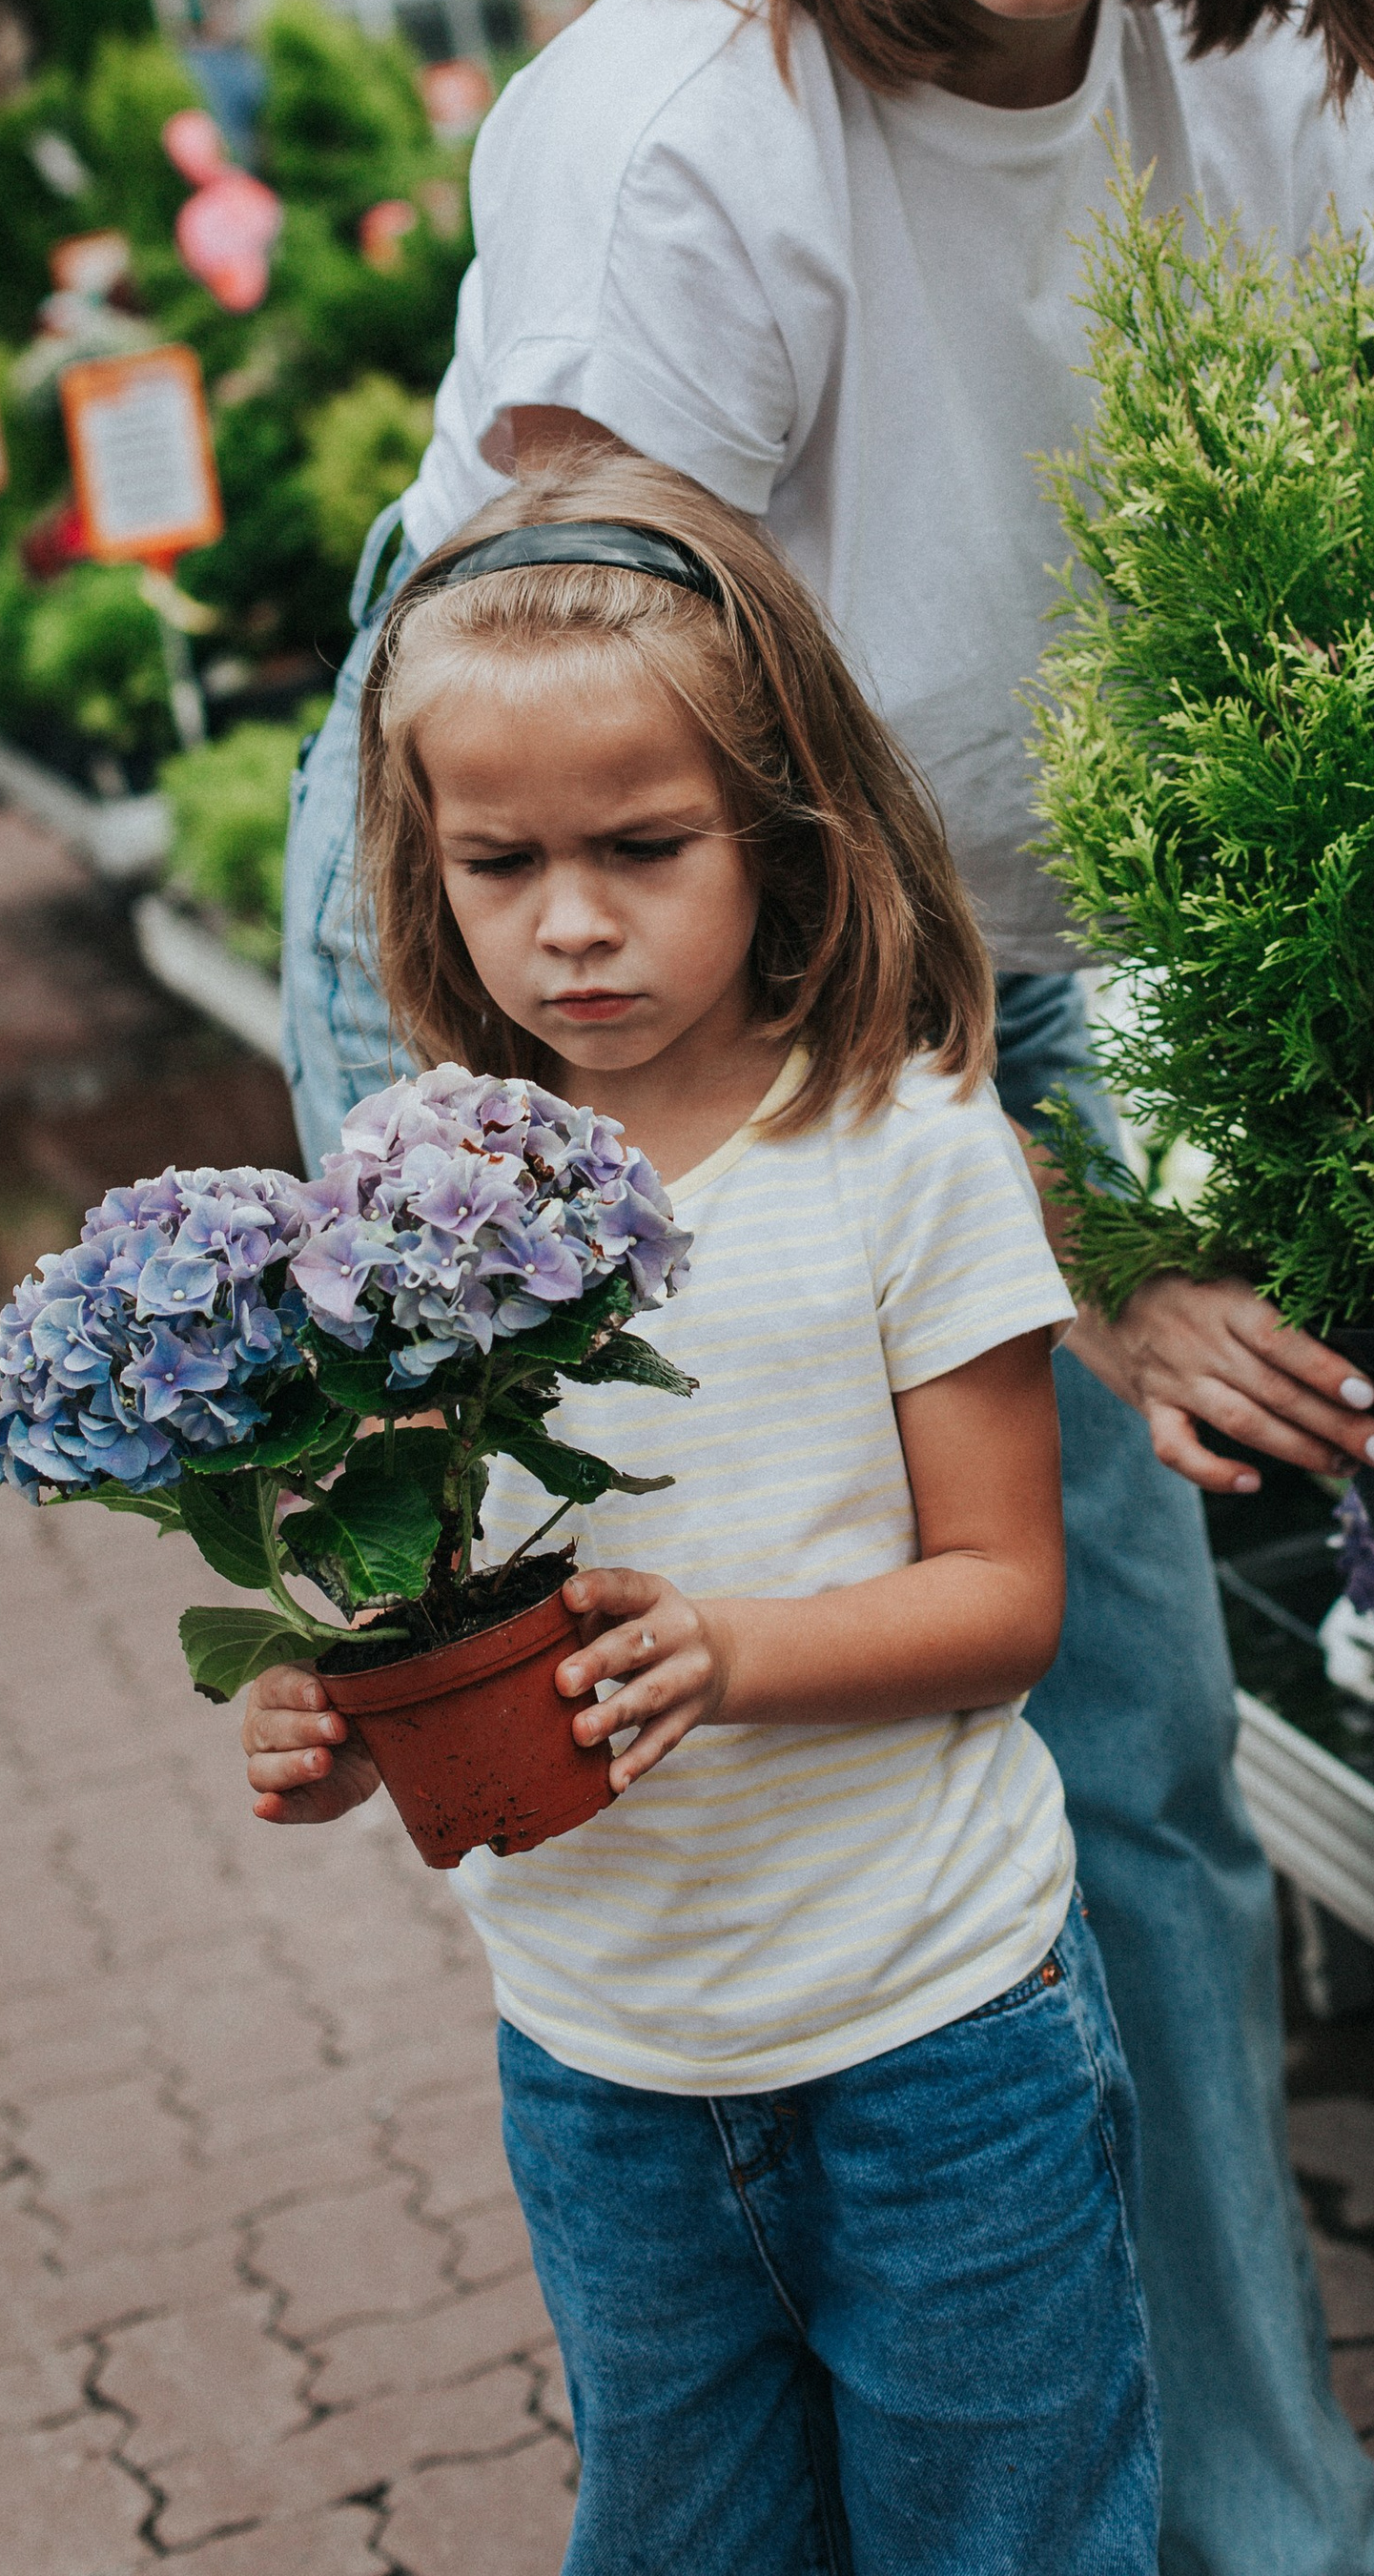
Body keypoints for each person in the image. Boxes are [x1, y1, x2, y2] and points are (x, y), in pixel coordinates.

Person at [284, 0, 1374, 2576]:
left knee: (1134, 1762)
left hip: (982, 896)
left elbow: (1352, 676)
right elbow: (656, 821)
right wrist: (1086, 1252)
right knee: (681, 1709)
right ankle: (782, 2466)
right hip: (590, 896)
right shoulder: (688, 147)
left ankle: (1253, 2515)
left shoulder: (1283, 106)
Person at [249, 461, 1159, 2576]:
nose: (568, 922)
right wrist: (330, 1707)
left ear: (780, 826)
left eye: (643, 850)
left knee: (1007, 2537)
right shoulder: (422, 1187)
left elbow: (1007, 1598)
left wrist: (728, 1654)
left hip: (938, 2039)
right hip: (603, 2064)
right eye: (499, 862)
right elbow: (420, 1581)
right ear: (422, 865)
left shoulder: (906, 1148)